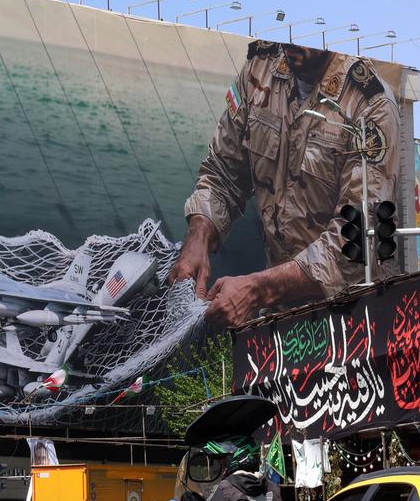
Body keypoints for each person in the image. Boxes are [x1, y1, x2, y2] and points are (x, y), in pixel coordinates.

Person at [169, 41, 401, 328]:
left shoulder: (371, 104)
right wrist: (198, 236)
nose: (289, 43)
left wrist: (257, 290)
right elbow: (223, 171)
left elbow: (358, 244)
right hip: (283, 322)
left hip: (357, 321)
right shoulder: (259, 70)